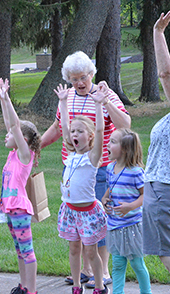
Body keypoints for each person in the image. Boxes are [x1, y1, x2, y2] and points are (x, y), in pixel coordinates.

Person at [41, 51, 131, 288]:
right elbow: (59, 126)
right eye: (74, 79)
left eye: (83, 77)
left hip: (98, 166)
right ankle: (84, 269)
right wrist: (36, 146)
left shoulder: (105, 94)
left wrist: (105, 102)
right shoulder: (67, 96)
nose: (79, 83)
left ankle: (103, 272)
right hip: (71, 165)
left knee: (96, 220)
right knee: (76, 221)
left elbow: (125, 125)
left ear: (91, 74)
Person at [55, 81, 108, 294]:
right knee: (74, 249)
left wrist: (98, 105)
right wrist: (63, 101)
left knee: (91, 252)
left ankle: (99, 285)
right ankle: (77, 286)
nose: (75, 134)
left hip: (88, 213)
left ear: (90, 137)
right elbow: (65, 127)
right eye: (74, 132)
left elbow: (100, 128)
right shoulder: (71, 156)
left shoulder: (92, 157)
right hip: (70, 211)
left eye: (80, 131)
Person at [0, 78, 41, 294]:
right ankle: (23, 285)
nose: (7, 135)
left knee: (27, 251)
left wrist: (7, 99)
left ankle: (31, 289)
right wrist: (2, 100)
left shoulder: (25, 155)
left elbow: (13, 125)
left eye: (11, 135)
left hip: (20, 210)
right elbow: (10, 124)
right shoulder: (12, 154)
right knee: (19, 250)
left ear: (21, 138)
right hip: (9, 209)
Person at [101, 129, 151, 294]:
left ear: (125, 149)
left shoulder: (136, 172)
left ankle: (146, 292)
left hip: (132, 226)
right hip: (114, 225)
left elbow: (146, 195)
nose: (107, 144)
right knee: (117, 263)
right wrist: (104, 198)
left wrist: (131, 206)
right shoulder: (110, 168)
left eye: (113, 142)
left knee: (137, 263)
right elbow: (111, 187)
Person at [143, 10, 170, 281]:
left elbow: (165, 73)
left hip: (165, 188)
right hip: (162, 187)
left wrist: (158, 33)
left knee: (169, 255)